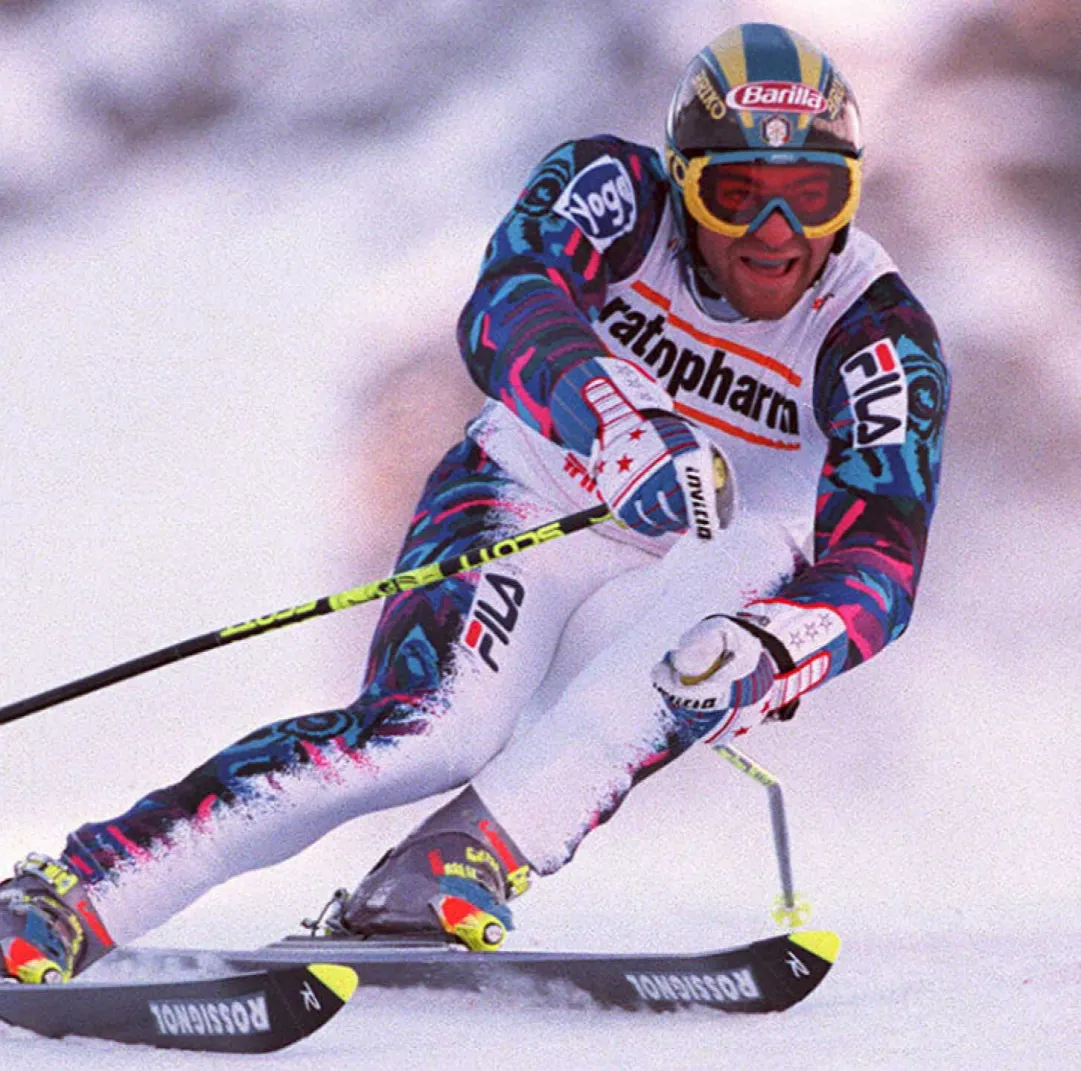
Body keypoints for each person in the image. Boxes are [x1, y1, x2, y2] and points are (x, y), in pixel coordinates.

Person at [0, 22, 948, 983]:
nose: (775, 234)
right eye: (735, 194)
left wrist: (780, 650)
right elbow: (506, 300)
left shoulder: (874, 334)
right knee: (431, 730)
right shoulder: (614, 191)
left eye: (812, 194)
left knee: (716, 642)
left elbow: (881, 561)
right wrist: (618, 425)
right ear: (681, 179)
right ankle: (75, 891)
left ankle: (451, 867)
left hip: (694, 573)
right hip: (532, 503)